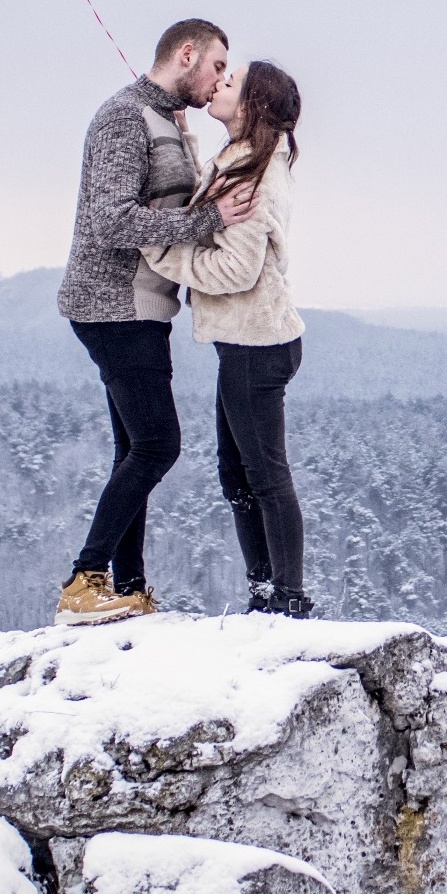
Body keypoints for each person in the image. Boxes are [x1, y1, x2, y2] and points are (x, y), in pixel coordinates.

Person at [54, 19, 259, 627]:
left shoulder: (165, 118)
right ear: (187, 54)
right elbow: (108, 222)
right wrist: (210, 220)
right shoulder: (125, 117)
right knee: (158, 444)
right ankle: (83, 582)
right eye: (219, 65)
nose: (223, 77)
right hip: (114, 305)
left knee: (132, 448)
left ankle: (128, 588)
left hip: (140, 305)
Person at [145, 61, 313, 617]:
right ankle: (266, 595)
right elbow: (208, 196)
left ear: (253, 107)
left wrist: (163, 253)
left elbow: (237, 271)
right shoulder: (250, 158)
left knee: (262, 476)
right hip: (251, 342)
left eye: (230, 82)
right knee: (238, 473)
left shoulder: (255, 175)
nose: (217, 84)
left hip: (255, 345)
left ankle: (285, 602)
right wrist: (186, 138)